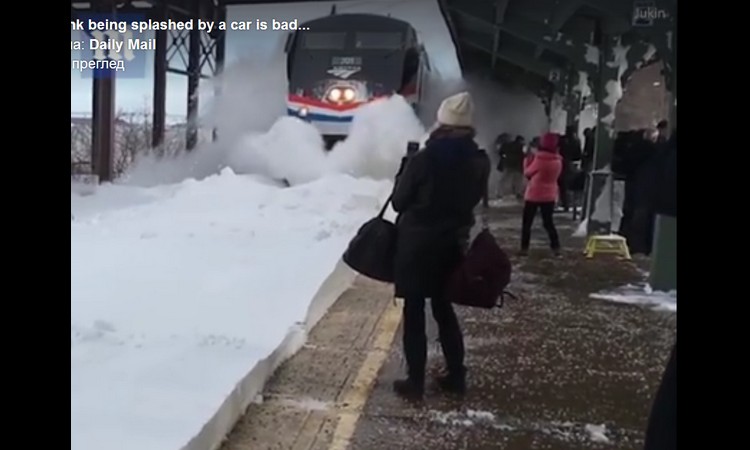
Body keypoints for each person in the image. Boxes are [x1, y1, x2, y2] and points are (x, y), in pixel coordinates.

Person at [390, 91, 489, 400]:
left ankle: (415, 382)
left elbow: (398, 202)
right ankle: (456, 376)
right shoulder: (479, 161)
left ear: (442, 122)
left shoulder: (423, 159)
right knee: (444, 309)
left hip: (416, 245)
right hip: (453, 244)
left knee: (415, 311)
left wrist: (404, 168)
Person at [520, 132, 562, 257]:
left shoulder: (539, 159)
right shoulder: (558, 160)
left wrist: (527, 160)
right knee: (548, 223)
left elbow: (528, 173)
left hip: (534, 194)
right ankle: (556, 247)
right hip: (549, 194)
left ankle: (524, 249)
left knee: (527, 223)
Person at [558, 126, 583, 211]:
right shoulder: (576, 141)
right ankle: (572, 203)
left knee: (562, 184)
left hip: (561, 162)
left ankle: (564, 202)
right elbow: (578, 154)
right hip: (572, 164)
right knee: (571, 184)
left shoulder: (562, 140)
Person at [498, 135, 526, 200]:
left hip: (507, 164)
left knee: (503, 180)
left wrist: (505, 157)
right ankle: (518, 193)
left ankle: (499, 193)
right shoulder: (521, 146)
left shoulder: (507, 145)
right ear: (520, 141)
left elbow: (501, 153)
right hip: (517, 166)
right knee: (518, 180)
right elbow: (524, 155)